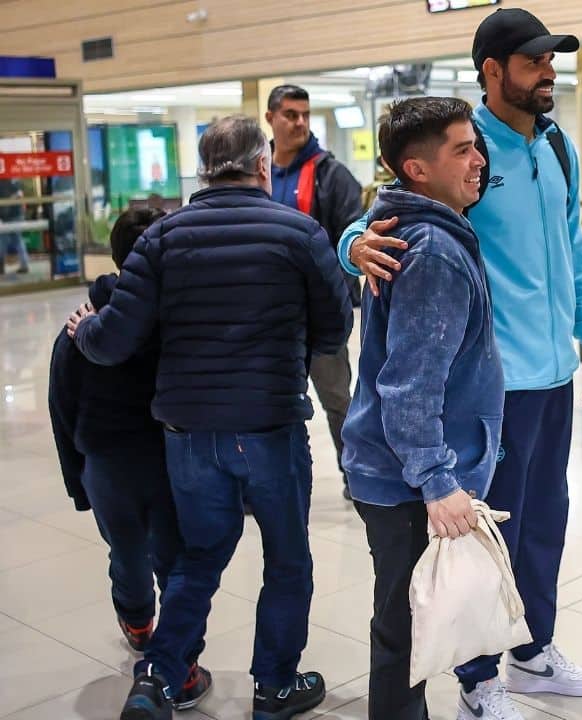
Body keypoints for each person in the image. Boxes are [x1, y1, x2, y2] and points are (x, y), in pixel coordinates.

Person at [338, 9, 582, 720]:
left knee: (546, 519)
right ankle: (479, 677)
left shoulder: (555, 146)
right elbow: (384, 217)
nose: (549, 73)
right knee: (484, 541)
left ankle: (532, 649)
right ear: (493, 73)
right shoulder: (457, 149)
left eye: (551, 61)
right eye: (534, 63)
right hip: (493, 383)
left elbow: (572, 243)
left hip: (553, 370)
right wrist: (349, 245)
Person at [67, 116, 353, 720]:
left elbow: (113, 339)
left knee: (200, 555)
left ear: (203, 168)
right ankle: (275, 686)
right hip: (271, 427)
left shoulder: (162, 239)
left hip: (189, 437)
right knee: (287, 558)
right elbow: (335, 330)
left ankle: (158, 678)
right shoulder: (299, 233)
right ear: (261, 163)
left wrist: (83, 329)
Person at [343, 96, 502, 720]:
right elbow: (410, 386)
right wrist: (437, 481)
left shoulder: (428, 228)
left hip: (407, 470)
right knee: (405, 629)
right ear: (417, 169)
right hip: (406, 480)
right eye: (462, 149)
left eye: (476, 146)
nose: (477, 161)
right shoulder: (433, 249)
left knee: (409, 621)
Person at [48, 209, 211, 711]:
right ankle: (178, 672)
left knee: (126, 549)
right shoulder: (183, 321)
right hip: (169, 462)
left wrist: (78, 482)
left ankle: (139, 623)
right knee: (175, 562)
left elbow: (62, 406)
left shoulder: (83, 325)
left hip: (106, 465)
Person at [266, 84, 364, 501]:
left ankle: (356, 477)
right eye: (290, 114)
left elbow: (351, 235)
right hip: (270, 313)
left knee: (338, 400)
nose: (300, 122)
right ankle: (267, 483)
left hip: (319, 312)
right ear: (270, 117)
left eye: (304, 114)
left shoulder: (330, 174)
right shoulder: (257, 172)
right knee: (270, 404)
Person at [0, 179, 30, 274]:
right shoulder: (14, 180)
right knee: (17, 240)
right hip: (16, 214)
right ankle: (24, 265)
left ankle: (1, 267)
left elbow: (18, 194)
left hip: (10, 216)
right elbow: (20, 194)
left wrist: (7, 204)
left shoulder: (5, 181)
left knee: (4, 241)